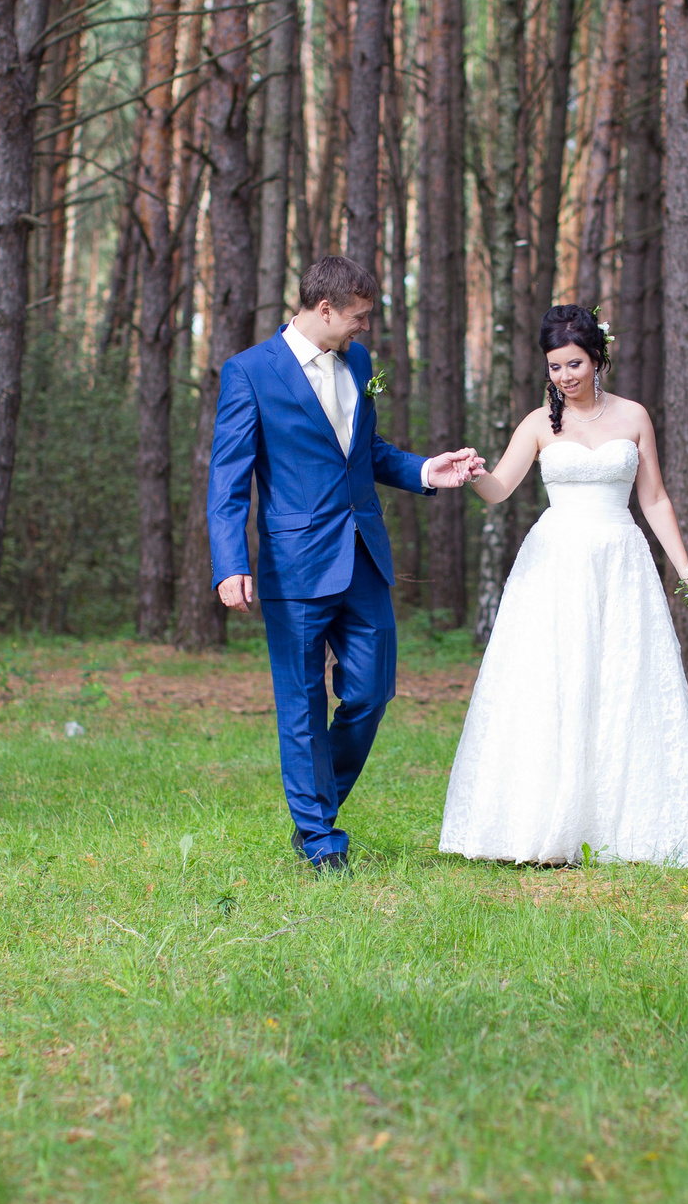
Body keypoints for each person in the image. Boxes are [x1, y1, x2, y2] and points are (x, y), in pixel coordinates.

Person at [207, 257, 486, 871]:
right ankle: (318, 837)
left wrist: (422, 471)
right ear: (325, 308)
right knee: (302, 702)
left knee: (371, 689)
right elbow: (227, 479)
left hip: (362, 555)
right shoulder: (250, 372)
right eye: (358, 316)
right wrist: (230, 563)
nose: (365, 328)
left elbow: (364, 452)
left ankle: (314, 802)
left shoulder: (357, 364)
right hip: (294, 562)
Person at [438, 305, 688, 867]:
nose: (565, 376)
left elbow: (655, 499)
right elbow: (500, 490)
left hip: (620, 560)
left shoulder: (635, 417)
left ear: (598, 360)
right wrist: (473, 475)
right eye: (554, 366)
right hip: (556, 562)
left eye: (574, 363)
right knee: (553, 682)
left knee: (619, 683)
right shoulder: (540, 424)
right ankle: (541, 828)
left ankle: (621, 825)